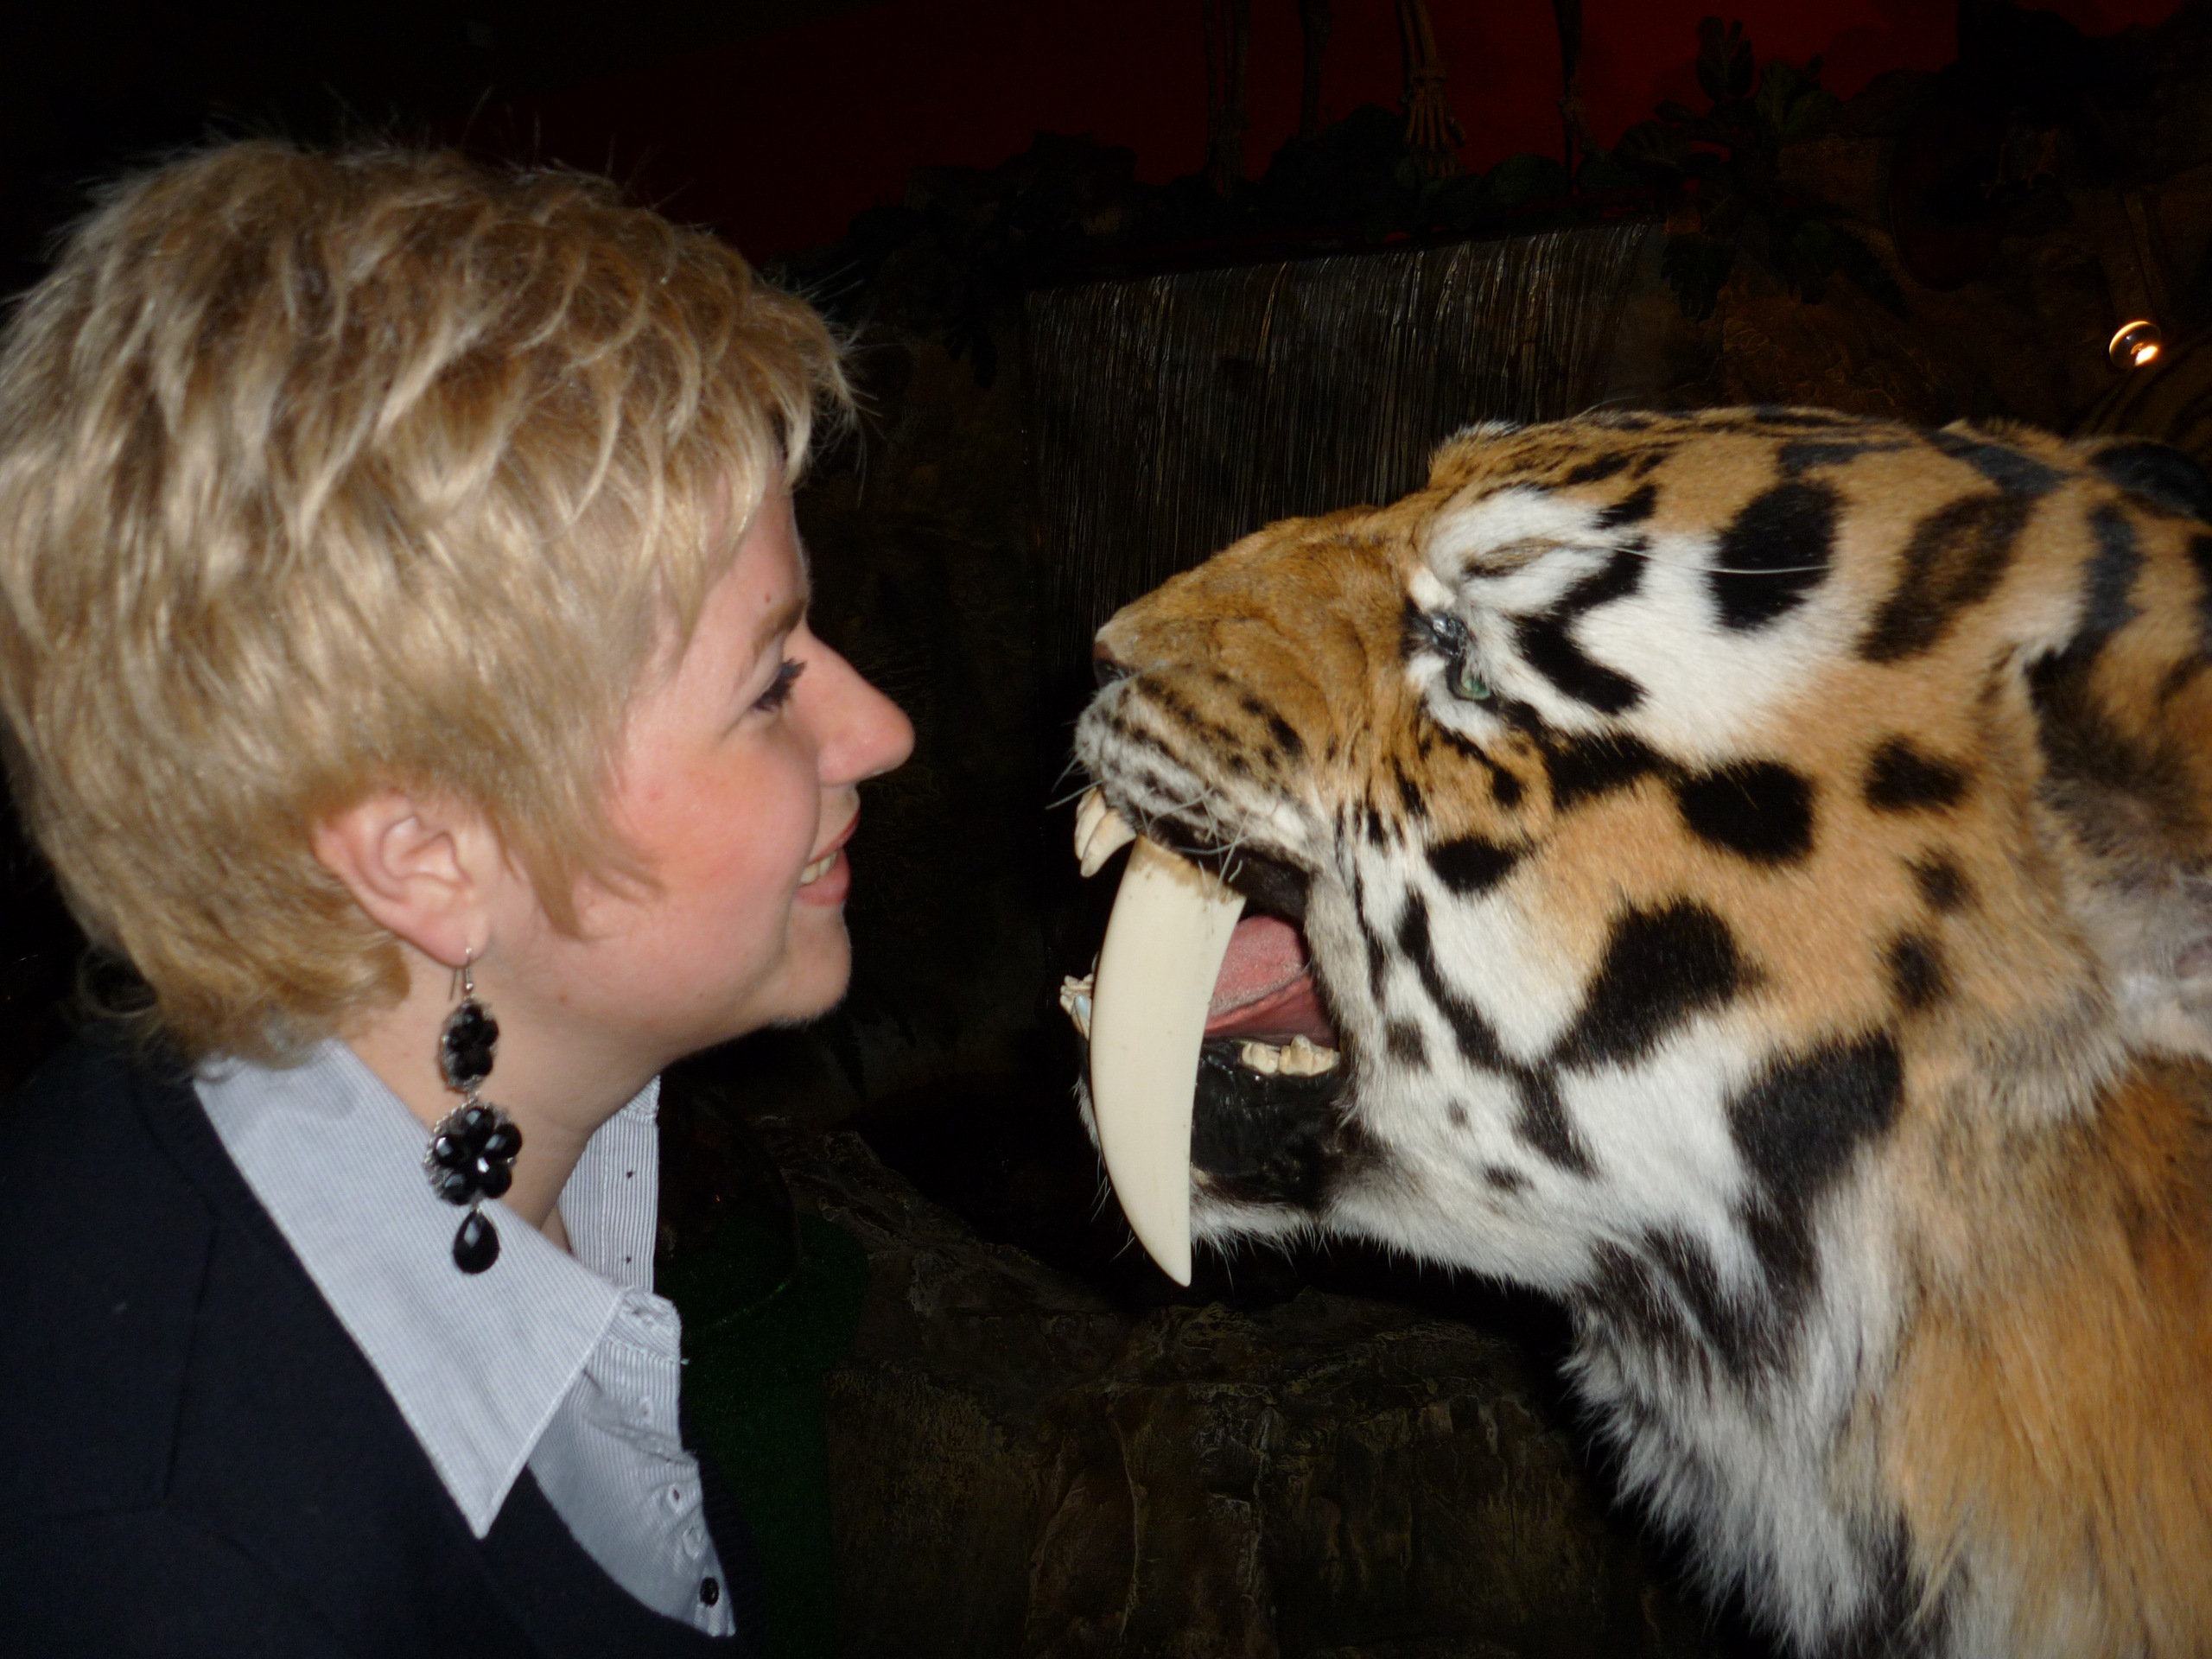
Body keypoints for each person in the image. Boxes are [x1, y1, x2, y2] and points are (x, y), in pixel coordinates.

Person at [0, 143, 913, 1656]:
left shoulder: (521, 1100)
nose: (877, 729)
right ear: (426, 858)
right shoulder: (187, 1574)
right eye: (769, 685)